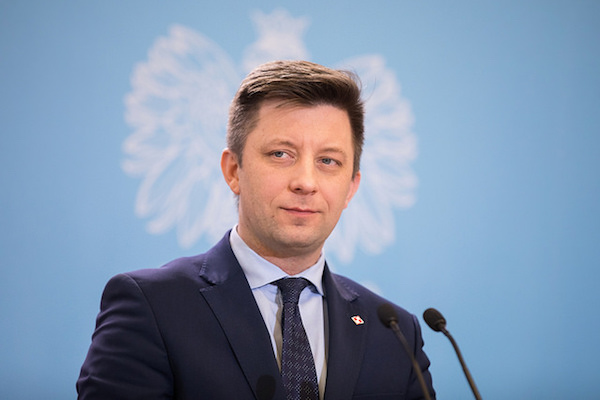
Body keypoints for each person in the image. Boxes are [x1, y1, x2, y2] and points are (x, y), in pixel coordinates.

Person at [77, 60, 435, 400]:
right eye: (281, 154)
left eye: (328, 161)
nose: (306, 182)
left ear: (351, 187)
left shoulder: (395, 333)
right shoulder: (152, 307)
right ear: (234, 170)